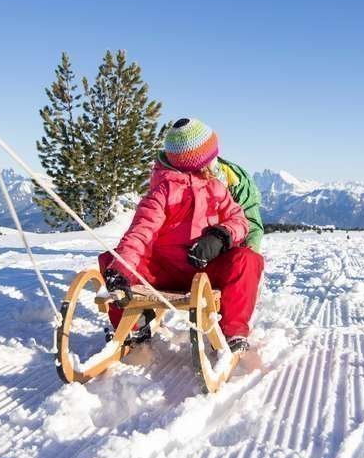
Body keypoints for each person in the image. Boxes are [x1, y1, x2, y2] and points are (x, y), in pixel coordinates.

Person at [98, 118, 264, 352]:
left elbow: (239, 221)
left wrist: (220, 236)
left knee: (247, 260)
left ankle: (234, 332)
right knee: (112, 261)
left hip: (205, 270)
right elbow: (140, 233)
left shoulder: (216, 188)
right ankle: (134, 326)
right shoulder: (162, 193)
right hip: (163, 272)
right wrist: (121, 271)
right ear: (201, 162)